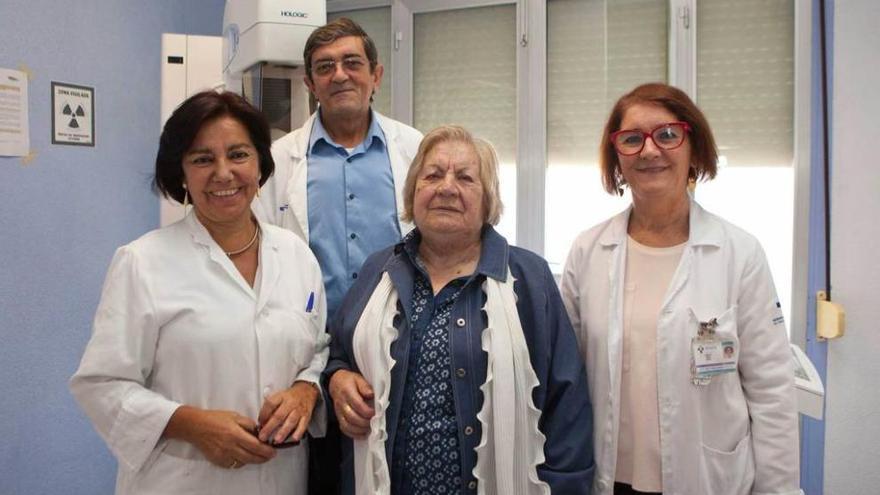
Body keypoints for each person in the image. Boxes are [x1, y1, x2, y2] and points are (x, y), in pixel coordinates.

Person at [69, 91, 328, 495]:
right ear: (182, 174)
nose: (223, 173)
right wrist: (190, 424)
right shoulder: (143, 262)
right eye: (203, 159)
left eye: (238, 154)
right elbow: (101, 384)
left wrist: (305, 390)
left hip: (282, 479)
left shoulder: (296, 255)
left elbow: (316, 350)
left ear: (260, 164)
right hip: (181, 480)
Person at [325, 125, 595, 494]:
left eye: (465, 178)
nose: (446, 188)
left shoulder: (528, 280)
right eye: (433, 175)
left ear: (488, 201)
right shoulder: (379, 271)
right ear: (413, 192)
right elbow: (338, 354)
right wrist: (338, 379)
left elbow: (567, 407)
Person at [561, 83, 800, 495]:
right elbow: (565, 378)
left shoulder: (738, 253)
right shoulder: (588, 250)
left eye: (668, 134)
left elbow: (772, 390)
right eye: (632, 139)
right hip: (609, 478)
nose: (650, 150)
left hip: (707, 478)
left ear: (694, 148)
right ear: (617, 158)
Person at [253, 18, 423, 493]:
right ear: (309, 83)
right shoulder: (276, 162)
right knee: (323, 478)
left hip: (400, 348)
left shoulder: (416, 150)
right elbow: (264, 261)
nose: (340, 75)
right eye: (325, 67)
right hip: (312, 361)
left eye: (352, 63)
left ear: (377, 74)